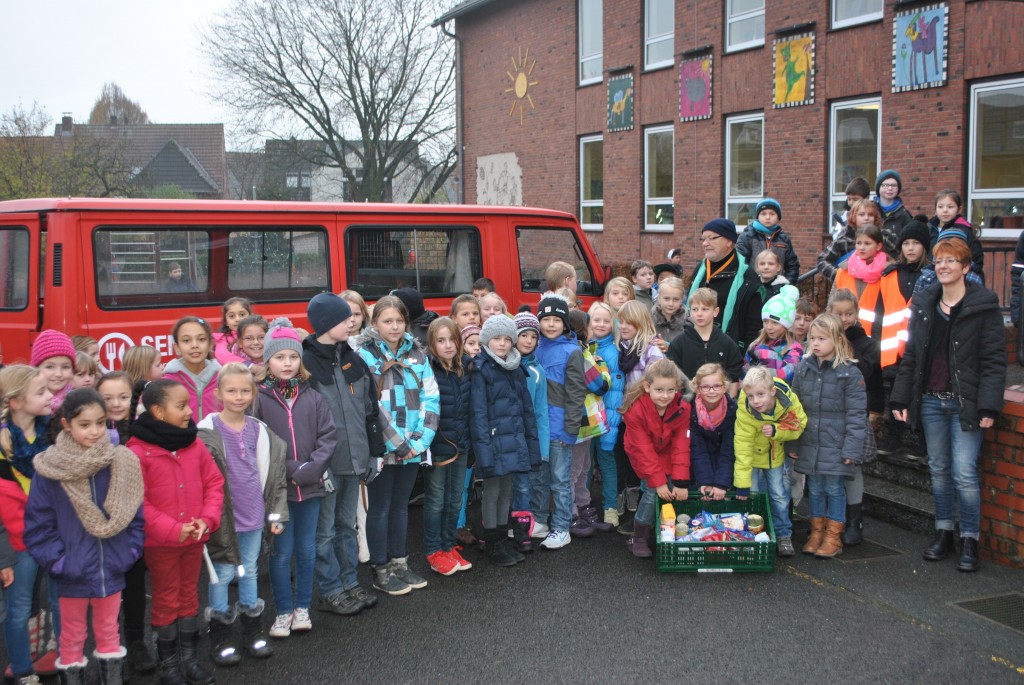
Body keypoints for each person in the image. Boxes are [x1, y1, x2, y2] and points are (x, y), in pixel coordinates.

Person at [890, 239, 1006, 572]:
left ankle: (970, 539)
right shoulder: (925, 303)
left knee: (965, 473)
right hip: (929, 401)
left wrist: (988, 407)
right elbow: (911, 355)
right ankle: (944, 533)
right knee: (939, 471)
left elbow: (995, 362)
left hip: (965, 404)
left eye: (951, 261)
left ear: (966, 267)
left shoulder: (983, 306)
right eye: (938, 260)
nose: (942, 266)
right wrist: (900, 397)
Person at [25, 388, 145, 685]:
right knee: (72, 635)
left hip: (112, 566)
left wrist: (129, 551)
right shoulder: (50, 468)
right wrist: (60, 563)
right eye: (84, 424)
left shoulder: (120, 459)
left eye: (100, 423)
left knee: (108, 632)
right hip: (72, 571)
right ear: (66, 424)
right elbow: (39, 526)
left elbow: (134, 513)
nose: (94, 431)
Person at [126, 378, 224, 685]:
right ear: (157, 411)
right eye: (180, 406)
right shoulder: (137, 451)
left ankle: (189, 659)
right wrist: (173, 529)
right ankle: (168, 666)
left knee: (189, 596)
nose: (188, 412)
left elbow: (214, 483)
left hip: (194, 537)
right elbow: (137, 502)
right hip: (161, 543)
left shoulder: (193, 443)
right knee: (167, 599)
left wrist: (207, 520)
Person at [252, 319, 337, 638]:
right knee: (281, 551)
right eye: (279, 357)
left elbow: (328, 436)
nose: (287, 363)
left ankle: (303, 608)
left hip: (311, 489)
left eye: (292, 357)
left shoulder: (313, 397)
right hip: (278, 493)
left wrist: (311, 469)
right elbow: (256, 442)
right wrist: (292, 469)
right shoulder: (258, 399)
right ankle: (283, 612)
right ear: (268, 361)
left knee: (306, 549)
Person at [301, 294, 384, 616]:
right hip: (325, 464)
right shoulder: (306, 363)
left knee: (347, 525)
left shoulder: (352, 357)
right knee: (325, 531)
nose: (352, 322)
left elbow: (369, 409)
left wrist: (373, 452)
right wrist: (313, 464)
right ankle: (331, 589)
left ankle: (350, 583)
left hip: (354, 459)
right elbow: (302, 421)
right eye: (343, 318)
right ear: (325, 324)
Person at [198, 364, 285, 667]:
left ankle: (251, 627)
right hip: (221, 520)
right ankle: (221, 634)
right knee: (221, 574)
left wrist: (275, 515)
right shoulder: (205, 431)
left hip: (252, 516)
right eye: (231, 390)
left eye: (245, 390)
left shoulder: (259, 431)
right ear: (219, 393)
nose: (238, 396)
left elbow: (273, 477)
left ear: (253, 393)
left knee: (247, 569)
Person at [354, 296, 440, 593]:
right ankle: (381, 568)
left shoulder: (417, 353)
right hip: (382, 447)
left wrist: (420, 440)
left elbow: (431, 398)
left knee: (400, 506)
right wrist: (396, 443)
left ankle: (399, 562)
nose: (394, 326)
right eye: (387, 321)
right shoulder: (363, 355)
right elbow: (369, 406)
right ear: (375, 322)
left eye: (399, 321)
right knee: (380, 506)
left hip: (413, 447)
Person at [790, 314, 868, 559]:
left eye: (822, 338)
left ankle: (833, 536)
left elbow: (857, 416)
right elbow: (794, 407)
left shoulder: (850, 373)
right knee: (814, 487)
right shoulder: (804, 369)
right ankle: (816, 533)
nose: (815, 343)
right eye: (812, 338)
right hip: (812, 441)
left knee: (834, 488)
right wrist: (793, 441)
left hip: (836, 442)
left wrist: (851, 449)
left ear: (836, 339)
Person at [470, 315, 542, 566]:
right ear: (486, 340)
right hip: (493, 442)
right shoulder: (481, 369)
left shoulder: (516, 367)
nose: (501, 344)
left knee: (506, 490)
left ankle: (501, 537)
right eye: (496, 339)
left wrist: (530, 445)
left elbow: (526, 410)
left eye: (506, 339)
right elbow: (478, 414)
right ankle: (492, 542)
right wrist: (484, 452)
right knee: (492, 492)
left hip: (513, 441)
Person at [94, 371, 153, 675]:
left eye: (123, 397)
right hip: (99, 524)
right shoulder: (90, 431)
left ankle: (136, 642)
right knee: (106, 592)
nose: (116, 404)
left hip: (134, 523)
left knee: (133, 585)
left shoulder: (143, 430)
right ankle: (110, 647)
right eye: (107, 398)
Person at [0, 366, 54, 685]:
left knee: (59, 600)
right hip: (20, 542)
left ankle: (63, 655)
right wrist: (3, 556)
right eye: (41, 392)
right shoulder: (2, 445)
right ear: (17, 402)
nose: (50, 396)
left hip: (55, 532)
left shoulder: (53, 434)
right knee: (19, 606)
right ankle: (21, 669)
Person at [620, 359, 691, 559]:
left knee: (674, 489)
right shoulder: (635, 409)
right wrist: (659, 482)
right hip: (640, 451)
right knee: (654, 490)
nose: (665, 396)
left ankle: (668, 530)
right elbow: (643, 450)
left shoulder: (682, 408)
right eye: (659, 390)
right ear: (647, 386)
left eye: (670, 390)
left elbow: (681, 445)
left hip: (668, 450)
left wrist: (680, 481)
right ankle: (640, 536)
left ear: (677, 388)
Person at [733, 366, 807, 558]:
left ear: (772, 391)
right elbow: (742, 444)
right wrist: (742, 483)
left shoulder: (787, 400)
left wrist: (777, 431)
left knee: (780, 497)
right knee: (754, 496)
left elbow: (799, 424)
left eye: (760, 394)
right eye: (750, 396)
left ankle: (783, 535)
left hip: (775, 457)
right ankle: (757, 535)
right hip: (752, 459)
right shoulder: (745, 409)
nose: (755, 401)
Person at [827, 288, 880, 546]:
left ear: (857, 314)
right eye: (839, 314)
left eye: (850, 313)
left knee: (852, 467)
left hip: (853, 412)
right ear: (830, 313)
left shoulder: (867, 343)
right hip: (826, 412)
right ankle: (830, 517)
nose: (845, 318)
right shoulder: (822, 339)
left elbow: (872, 373)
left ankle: (854, 520)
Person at [422, 318, 474, 576]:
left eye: (452, 339)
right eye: (441, 340)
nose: (448, 345)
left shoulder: (465, 367)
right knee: (436, 501)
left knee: (455, 499)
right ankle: (433, 550)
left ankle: (447, 545)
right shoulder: (428, 370)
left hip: (461, 445)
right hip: (438, 447)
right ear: (432, 343)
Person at [534, 295, 586, 550]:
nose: (551, 324)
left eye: (557, 320)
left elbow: (576, 394)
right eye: (546, 319)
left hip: (559, 428)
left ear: (565, 323)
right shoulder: (534, 346)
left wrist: (570, 429)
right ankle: (540, 521)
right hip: (538, 427)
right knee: (540, 478)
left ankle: (562, 527)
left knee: (560, 479)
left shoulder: (572, 351)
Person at [876, 220, 932, 458]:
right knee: (896, 396)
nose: (910, 248)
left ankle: (922, 442)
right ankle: (893, 437)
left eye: (916, 243)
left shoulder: (930, 277)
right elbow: (880, 313)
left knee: (919, 394)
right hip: (891, 351)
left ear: (925, 247)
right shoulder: (889, 275)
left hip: (919, 348)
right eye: (906, 243)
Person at [566, 310, 611, 538]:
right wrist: (602, 365)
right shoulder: (580, 355)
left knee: (584, 468)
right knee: (575, 470)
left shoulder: (583, 351)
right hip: (581, 423)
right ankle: (571, 513)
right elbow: (601, 385)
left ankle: (583, 507)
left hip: (587, 423)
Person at [687, 218, 762, 351]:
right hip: (694, 346)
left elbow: (753, 327)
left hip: (729, 352)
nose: (705, 243)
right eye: (703, 239)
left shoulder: (747, 278)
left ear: (729, 241)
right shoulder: (700, 270)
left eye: (711, 238)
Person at [510, 311, 550, 551]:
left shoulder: (537, 372)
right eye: (522, 335)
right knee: (516, 482)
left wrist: (542, 445)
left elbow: (541, 411)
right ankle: (518, 519)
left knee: (535, 480)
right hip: (511, 437)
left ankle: (539, 519)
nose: (527, 341)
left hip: (531, 437)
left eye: (532, 337)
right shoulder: (507, 365)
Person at [666, 288, 743, 396]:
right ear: (690, 311)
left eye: (705, 309)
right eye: (695, 309)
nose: (699, 314)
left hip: (720, 403)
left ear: (715, 312)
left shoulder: (727, 344)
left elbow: (734, 379)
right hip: (688, 404)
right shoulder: (679, 343)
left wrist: (729, 404)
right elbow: (673, 376)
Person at [590, 302, 624, 529]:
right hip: (585, 416)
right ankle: (582, 506)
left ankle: (610, 507)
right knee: (583, 464)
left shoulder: (614, 352)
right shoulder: (584, 347)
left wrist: (611, 424)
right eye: (596, 320)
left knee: (606, 461)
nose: (601, 324)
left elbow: (615, 393)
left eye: (606, 320)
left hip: (605, 419)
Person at [831, 224, 892, 340]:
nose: (862, 247)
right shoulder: (843, 270)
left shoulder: (887, 273)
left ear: (878, 246)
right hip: (843, 335)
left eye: (867, 243)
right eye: (859, 243)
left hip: (875, 336)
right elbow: (831, 303)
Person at [689, 364, 738, 502]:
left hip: (726, 468)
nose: (712, 391)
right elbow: (697, 449)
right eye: (705, 387)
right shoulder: (690, 411)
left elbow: (729, 450)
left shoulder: (733, 411)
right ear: (697, 389)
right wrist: (705, 481)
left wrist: (720, 483)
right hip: (699, 468)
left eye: (717, 386)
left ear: (724, 387)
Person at [163, 316, 222, 422]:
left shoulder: (223, 380)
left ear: (210, 345)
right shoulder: (166, 383)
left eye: (201, 339)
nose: (194, 345)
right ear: (177, 348)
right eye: (186, 340)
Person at [744, 285, 803, 384]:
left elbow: (784, 375)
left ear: (786, 324)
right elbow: (745, 376)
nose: (769, 327)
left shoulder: (795, 348)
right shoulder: (756, 344)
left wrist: (763, 352)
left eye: (775, 323)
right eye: (766, 321)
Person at [818, 198, 886, 282]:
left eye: (870, 215)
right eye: (862, 214)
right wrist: (839, 276)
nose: (866, 218)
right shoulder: (843, 240)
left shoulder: (884, 237)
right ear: (854, 216)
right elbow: (822, 261)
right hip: (849, 288)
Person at [736, 198, 800, 282]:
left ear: (778, 217)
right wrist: (749, 285)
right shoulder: (748, 236)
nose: (767, 217)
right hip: (753, 288)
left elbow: (792, 265)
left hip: (777, 288)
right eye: (763, 214)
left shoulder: (784, 239)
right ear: (758, 216)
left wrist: (787, 284)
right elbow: (740, 264)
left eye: (772, 214)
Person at [927, 190, 985, 282]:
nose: (945, 210)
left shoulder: (964, 230)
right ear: (935, 209)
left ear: (959, 209)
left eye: (950, 207)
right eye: (940, 207)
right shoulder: (929, 228)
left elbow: (975, 260)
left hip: (959, 279)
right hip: (932, 277)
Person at [616, 300, 665, 387]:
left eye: (629, 323)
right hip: (628, 399)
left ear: (641, 323)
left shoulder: (651, 350)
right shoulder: (621, 346)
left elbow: (657, 384)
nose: (623, 326)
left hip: (643, 399)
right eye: (620, 322)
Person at [31, 330, 77, 411]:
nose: (58, 374)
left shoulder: (79, 401)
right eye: (50, 367)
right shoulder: (26, 403)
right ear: (36, 368)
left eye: (65, 367)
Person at [873, 170, 913, 255]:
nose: (890, 188)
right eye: (885, 185)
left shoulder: (904, 215)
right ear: (878, 188)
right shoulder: (869, 211)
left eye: (894, 185)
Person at [213, 297, 255, 366]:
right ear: (226, 321)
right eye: (232, 316)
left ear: (251, 316)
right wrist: (250, 366)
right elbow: (221, 355)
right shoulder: (223, 339)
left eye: (242, 315)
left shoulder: (260, 333)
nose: (237, 319)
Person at [651, 276, 687, 349]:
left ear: (682, 299)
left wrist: (669, 347)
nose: (671, 304)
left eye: (676, 299)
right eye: (666, 299)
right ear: (659, 298)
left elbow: (689, 349)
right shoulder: (649, 321)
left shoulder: (688, 325)